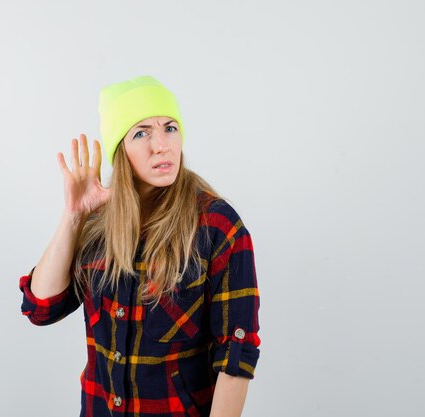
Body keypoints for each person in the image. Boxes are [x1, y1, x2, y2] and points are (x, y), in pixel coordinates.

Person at [19, 75, 261, 417]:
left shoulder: (217, 226)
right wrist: (73, 216)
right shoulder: (98, 223)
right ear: (120, 150)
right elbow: (40, 307)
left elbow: (236, 355)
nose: (161, 145)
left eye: (170, 128)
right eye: (141, 133)